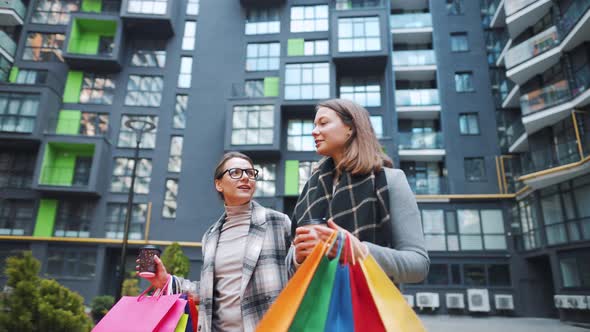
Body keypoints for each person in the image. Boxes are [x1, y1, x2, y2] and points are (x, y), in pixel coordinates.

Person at [138, 152, 292, 332]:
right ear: (219, 184)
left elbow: (299, 271)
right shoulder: (210, 236)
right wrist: (167, 281)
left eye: (250, 173)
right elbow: (209, 292)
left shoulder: (278, 222)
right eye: (235, 172)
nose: (245, 177)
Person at [287, 98, 430, 283]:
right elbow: (290, 265)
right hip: (314, 308)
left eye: (323, 123)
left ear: (351, 128)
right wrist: (298, 258)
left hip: (370, 307)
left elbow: (418, 266)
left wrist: (360, 252)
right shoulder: (309, 189)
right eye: (315, 125)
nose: (314, 131)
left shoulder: (390, 180)